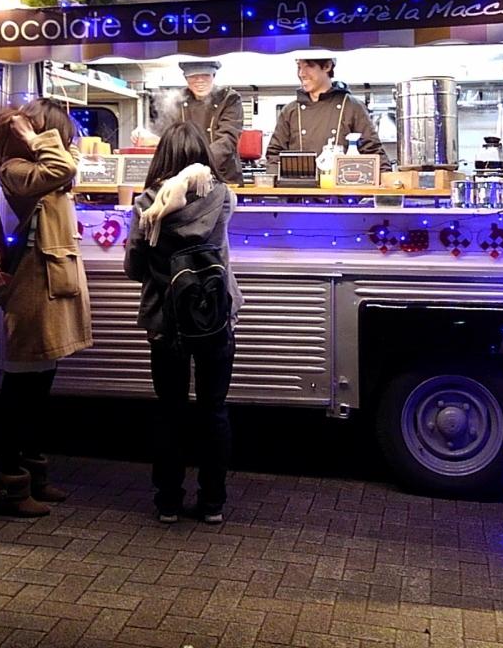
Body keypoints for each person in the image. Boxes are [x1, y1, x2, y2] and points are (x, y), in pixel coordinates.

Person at [0, 99, 92, 518]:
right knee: (20, 393)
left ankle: (34, 474)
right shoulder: (16, 170)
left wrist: (42, 139)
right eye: (58, 133)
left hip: (50, 287)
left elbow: (67, 163)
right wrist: (31, 135)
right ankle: (9, 484)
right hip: (32, 291)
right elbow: (64, 167)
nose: (66, 141)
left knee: (38, 390)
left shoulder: (39, 169)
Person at [123, 122, 243, 525]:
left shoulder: (146, 205)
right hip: (215, 316)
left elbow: (133, 268)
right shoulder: (223, 198)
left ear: (162, 158)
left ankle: (169, 502)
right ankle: (212, 503)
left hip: (165, 319)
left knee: (170, 410)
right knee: (214, 409)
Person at [133, 60, 244, 183]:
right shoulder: (178, 100)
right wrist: (148, 136)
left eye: (205, 75)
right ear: (185, 78)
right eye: (193, 76)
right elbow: (169, 135)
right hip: (184, 178)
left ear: (214, 75)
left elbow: (227, 140)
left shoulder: (229, 99)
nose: (199, 80)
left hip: (222, 175)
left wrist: (200, 165)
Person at [265, 53, 383, 162]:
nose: (301, 73)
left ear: (327, 66)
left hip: (340, 178)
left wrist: (387, 175)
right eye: (299, 67)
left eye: (308, 66)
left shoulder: (352, 106)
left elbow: (373, 152)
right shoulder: (290, 110)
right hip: (299, 179)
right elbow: (275, 155)